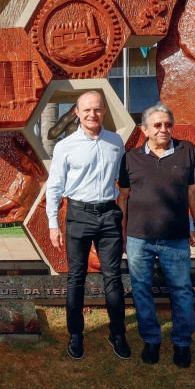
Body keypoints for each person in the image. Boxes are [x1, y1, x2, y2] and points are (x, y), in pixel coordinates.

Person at [45, 89, 130, 361]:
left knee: (113, 279)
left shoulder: (116, 142)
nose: (92, 114)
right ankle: (76, 335)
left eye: (97, 109)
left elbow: (124, 181)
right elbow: (55, 187)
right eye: (87, 110)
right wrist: (52, 224)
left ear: (104, 111)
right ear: (77, 113)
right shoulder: (65, 146)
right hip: (78, 215)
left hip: (108, 216)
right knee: (76, 279)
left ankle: (117, 334)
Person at [118, 104, 195, 367]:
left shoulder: (186, 151)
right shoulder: (130, 158)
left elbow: (193, 192)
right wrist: (122, 234)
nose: (163, 129)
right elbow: (123, 198)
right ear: (144, 130)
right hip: (138, 239)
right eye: (157, 125)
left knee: (182, 291)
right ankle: (151, 340)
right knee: (142, 291)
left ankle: (182, 343)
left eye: (167, 124)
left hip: (176, 238)